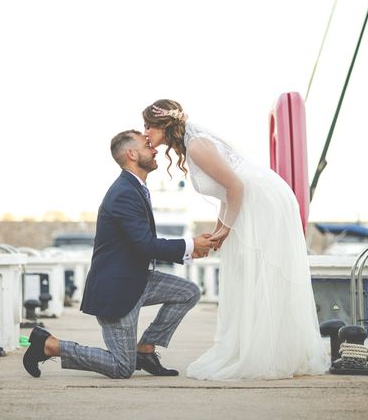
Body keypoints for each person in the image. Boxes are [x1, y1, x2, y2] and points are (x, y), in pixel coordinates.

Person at [142, 100, 331, 380]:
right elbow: (225, 193)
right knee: (248, 275)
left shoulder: (195, 145)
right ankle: (263, 348)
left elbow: (236, 186)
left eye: (148, 126)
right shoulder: (192, 144)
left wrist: (226, 230)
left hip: (261, 203)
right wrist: (219, 230)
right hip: (248, 203)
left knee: (261, 274)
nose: (145, 132)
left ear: (164, 126)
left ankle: (268, 354)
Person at [22, 129, 215, 379]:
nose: (155, 149)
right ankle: (50, 345)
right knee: (121, 367)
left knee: (188, 292)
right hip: (116, 290)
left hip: (136, 280)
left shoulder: (135, 188)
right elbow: (145, 244)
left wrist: (190, 249)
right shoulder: (124, 193)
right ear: (132, 154)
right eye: (148, 147)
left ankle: (145, 350)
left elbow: (141, 244)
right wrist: (190, 244)